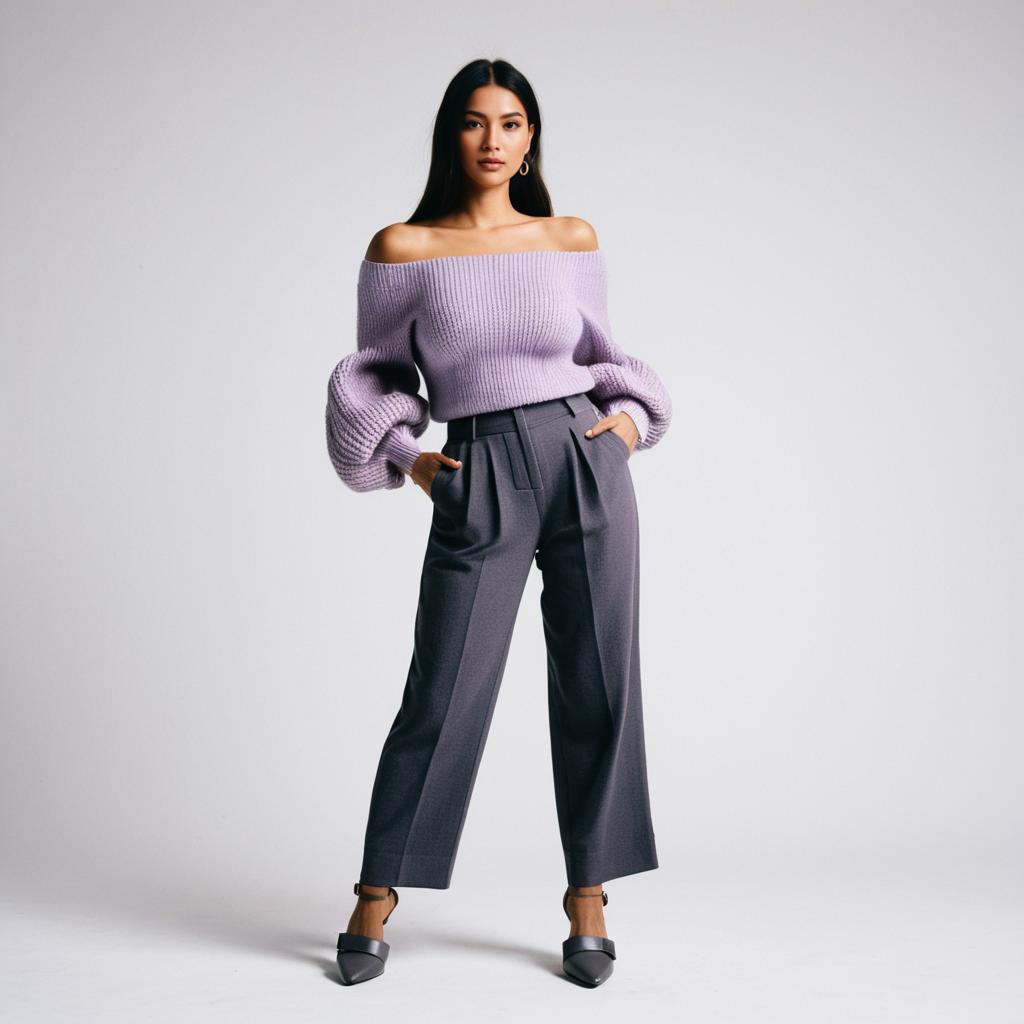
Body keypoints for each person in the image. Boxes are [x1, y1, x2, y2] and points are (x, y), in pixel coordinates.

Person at [325, 57, 672, 989]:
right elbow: (373, 376)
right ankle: (376, 890)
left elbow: (606, 357)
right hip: (478, 465)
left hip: (583, 456)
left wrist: (628, 428)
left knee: (600, 680)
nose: (494, 140)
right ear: (452, 133)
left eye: (512, 123)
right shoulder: (405, 248)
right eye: (477, 123)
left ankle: (588, 897)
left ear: (531, 137)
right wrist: (412, 458)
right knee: (444, 687)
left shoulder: (569, 235)